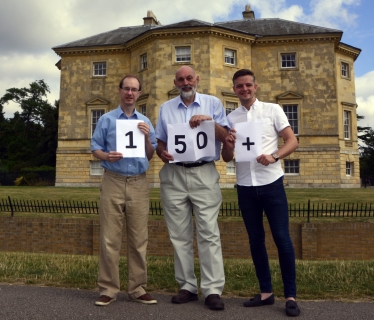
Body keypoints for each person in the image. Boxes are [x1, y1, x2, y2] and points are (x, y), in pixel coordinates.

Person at [222, 69, 300, 317]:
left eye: (248, 85)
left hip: (271, 183)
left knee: (282, 239)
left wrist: (274, 155)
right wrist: (228, 144)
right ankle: (266, 292)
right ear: (234, 89)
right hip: (245, 186)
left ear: (255, 86)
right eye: (239, 86)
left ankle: (290, 295)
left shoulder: (272, 110)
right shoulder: (231, 117)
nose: (244, 89)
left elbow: (292, 140)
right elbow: (226, 157)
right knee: (256, 241)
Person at [155, 66, 229, 311]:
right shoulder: (166, 108)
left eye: (190, 78)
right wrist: (162, 152)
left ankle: (212, 289)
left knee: (209, 232)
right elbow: (160, 142)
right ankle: (187, 285)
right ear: (175, 82)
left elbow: (226, 138)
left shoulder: (213, 103)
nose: (186, 82)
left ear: (198, 79)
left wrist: (210, 121)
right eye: (181, 79)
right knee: (179, 235)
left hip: (204, 173)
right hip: (174, 174)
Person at [91, 75, 157, 306]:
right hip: (113, 180)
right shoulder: (107, 120)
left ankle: (137, 288)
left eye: (134, 90)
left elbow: (150, 154)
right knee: (110, 238)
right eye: (126, 89)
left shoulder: (145, 121)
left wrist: (148, 137)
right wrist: (106, 156)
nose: (130, 93)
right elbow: (95, 148)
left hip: (139, 182)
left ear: (139, 94)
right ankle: (108, 288)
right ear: (120, 91)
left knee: (139, 239)